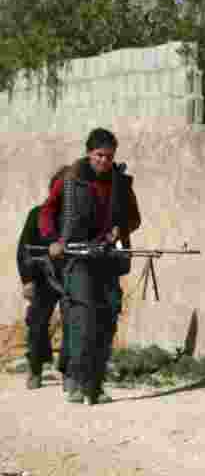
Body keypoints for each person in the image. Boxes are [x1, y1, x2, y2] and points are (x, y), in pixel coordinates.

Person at [43, 128, 142, 405]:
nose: (104, 161)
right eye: (99, 155)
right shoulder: (69, 180)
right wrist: (53, 240)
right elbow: (47, 211)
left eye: (109, 156)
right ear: (89, 153)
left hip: (108, 258)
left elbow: (134, 218)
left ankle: (95, 384)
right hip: (77, 258)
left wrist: (120, 229)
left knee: (108, 317)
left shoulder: (121, 183)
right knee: (83, 318)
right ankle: (78, 380)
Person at [16, 166, 72, 390]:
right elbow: (24, 249)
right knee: (37, 323)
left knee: (73, 323)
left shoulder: (79, 219)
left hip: (71, 278)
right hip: (42, 277)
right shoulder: (37, 214)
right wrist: (27, 280)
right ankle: (35, 367)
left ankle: (69, 371)